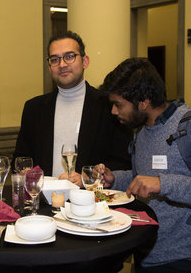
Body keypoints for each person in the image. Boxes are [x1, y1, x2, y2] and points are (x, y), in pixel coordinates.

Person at [98, 58, 191, 273]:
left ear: (143, 102)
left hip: (183, 261)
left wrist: (163, 184)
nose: (113, 111)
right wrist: (115, 179)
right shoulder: (141, 132)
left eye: (119, 104)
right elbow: (141, 177)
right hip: (145, 253)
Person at [13, 30, 132, 187]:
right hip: (45, 203)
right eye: (55, 59)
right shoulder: (34, 109)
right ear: (49, 67)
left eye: (69, 56)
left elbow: (124, 162)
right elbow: (21, 161)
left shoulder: (109, 106)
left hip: (92, 204)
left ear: (85, 61)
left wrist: (89, 177)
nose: (62, 64)